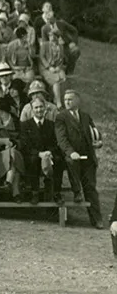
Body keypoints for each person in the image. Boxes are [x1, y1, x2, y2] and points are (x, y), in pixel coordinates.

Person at [54, 89, 104, 229]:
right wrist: (71, 152)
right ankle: (77, 191)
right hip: (71, 157)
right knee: (71, 163)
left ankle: (97, 220)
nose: (67, 102)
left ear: (77, 100)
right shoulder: (61, 117)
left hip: (87, 157)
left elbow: (95, 133)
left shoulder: (85, 116)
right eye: (65, 100)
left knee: (91, 188)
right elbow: (61, 139)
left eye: (70, 99)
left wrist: (98, 142)